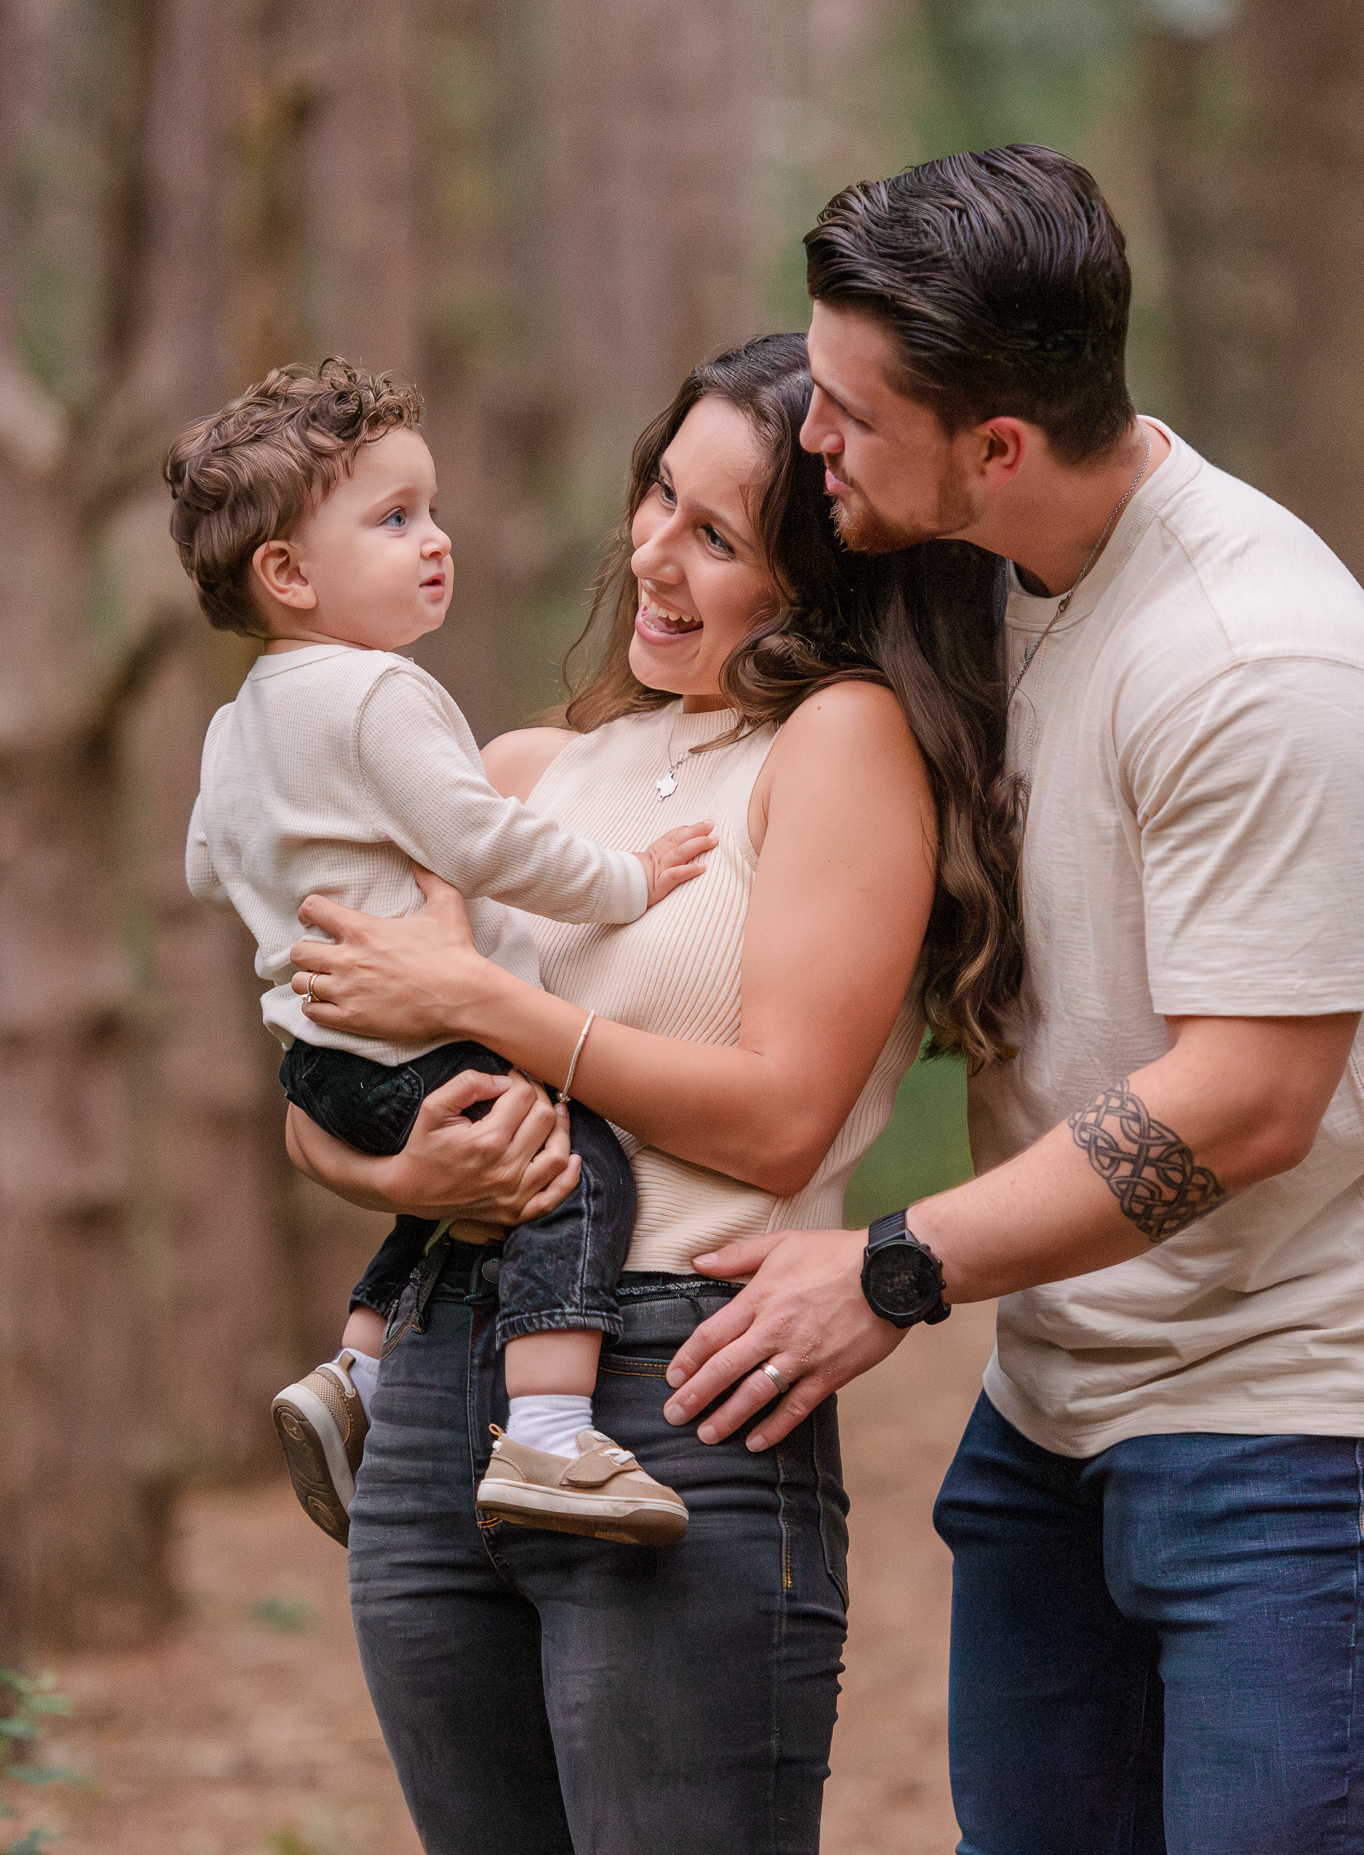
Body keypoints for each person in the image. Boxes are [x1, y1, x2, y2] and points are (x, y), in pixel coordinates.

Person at [655, 147, 1364, 1855]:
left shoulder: (1250, 659)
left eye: (840, 413)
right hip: (1051, 1421)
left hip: (1285, 1435)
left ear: (993, 445)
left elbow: (1248, 1098)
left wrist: (895, 1265)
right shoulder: (971, 578)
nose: (807, 442)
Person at [278, 332, 1021, 1855]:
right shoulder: (526, 772)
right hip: (429, 1391)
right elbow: (328, 1074)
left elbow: (779, 1117)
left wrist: (488, 1001)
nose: (655, 556)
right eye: (659, 497)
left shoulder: (843, 742)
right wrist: (403, 1180)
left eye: (718, 537)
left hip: (677, 1385)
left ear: (825, 570)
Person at [168, 358, 711, 1547]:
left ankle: (354, 1369)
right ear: (289, 572)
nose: (436, 541)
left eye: (433, 510)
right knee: (569, 1163)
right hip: (414, 1032)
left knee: (455, 1189)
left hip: (320, 1059)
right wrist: (630, 878)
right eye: (395, 518)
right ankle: (554, 1435)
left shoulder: (238, 718)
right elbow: (481, 837)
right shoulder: (375, 693)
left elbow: (210, 868)